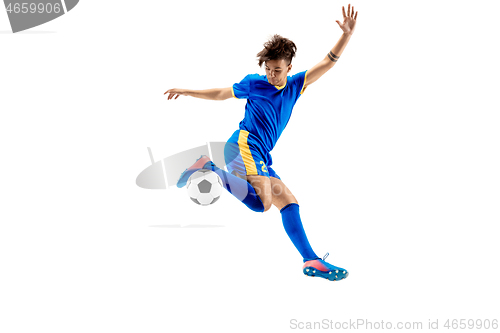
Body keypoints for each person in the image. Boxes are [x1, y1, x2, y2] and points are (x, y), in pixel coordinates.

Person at [164, 4, 358, 281]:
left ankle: (311, 260)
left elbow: (327, 63)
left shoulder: (297, 85)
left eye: (277, 70)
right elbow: (222, 93)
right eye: (268, 69)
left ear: (289, 68)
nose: (271, 75)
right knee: (262, 204)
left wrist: (346, 36)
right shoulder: (255, 84)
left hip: (260, 154)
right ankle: (208, 166)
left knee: (289, 203)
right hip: (242, 146)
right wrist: (187, 90)